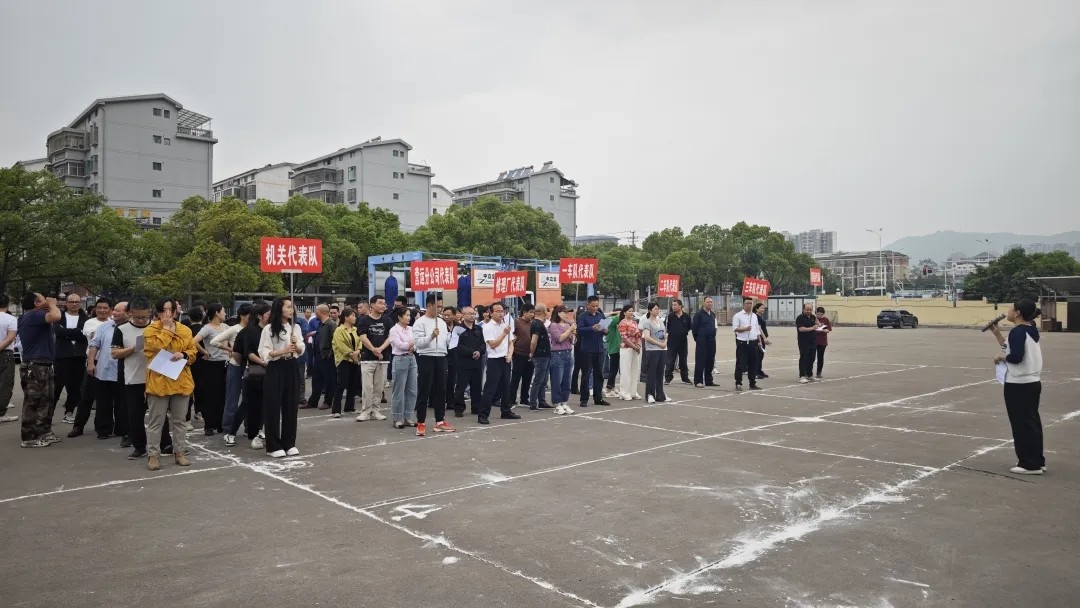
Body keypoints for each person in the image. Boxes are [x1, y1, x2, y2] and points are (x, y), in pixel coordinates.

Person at [989, 300, 1045, 475]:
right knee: (1032, 423)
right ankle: (1037, 460)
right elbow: (1011, 348)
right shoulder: (1030, 329)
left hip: (1019, 384)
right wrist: (998, 334)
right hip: (1032, 382)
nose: (1008, 311)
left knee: (1022, 425)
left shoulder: (1017, 332)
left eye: (1011, 308)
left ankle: (1029, 464)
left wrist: (1001, 358)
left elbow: (1015, 357)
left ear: (1018, 312)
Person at [113, 297, 171, 459]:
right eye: (137, 317)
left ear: (150, 313)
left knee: (159, 413)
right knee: (135, 415)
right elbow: (115, 353)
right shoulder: (122, 329)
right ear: (130, 313)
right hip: (133, 378)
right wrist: (134, 348)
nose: (141, 320)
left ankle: (165, 443)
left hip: (156, 376)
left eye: (145, 317)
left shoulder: (157, 327)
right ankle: (139, 446)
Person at [143, 297, 195, 471]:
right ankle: (153, 455)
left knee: (180, 421)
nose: (167, 313)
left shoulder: (185, 330)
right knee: (156, 421)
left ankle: (180, 453)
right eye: (163, 310)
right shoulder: (150, 330)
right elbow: (155, 347)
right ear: (158, 312)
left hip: (181, 380)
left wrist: (184, 355)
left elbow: (193, 351)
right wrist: (166, 329)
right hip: (158, 381)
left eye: (170, 310)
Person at [73, 300, 129, 443]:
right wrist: (91, 363)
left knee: (122, 402)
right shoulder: (104, 327)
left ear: (128, 313)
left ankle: (122, 429)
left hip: (125, 371)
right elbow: (94, 344)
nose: (114, 313)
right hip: (104, 369)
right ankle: (103, 429)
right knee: (102, 401)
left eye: (117, 310)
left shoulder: (131, 328)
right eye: (114, 310)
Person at [258, 297, 305, 458]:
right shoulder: (269, 328)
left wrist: (296, 346)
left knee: (291, 406)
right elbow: (263, 351)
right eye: (288, 307)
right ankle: (273, 445)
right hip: (275, 367)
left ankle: (289, 443)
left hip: (292, 366)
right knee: (273, 406)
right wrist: (282, 351)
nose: (292, 310)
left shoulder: (295, 327)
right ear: (279, 309)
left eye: (293, 307)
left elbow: (301, 348)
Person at [17, 293, 62, 447]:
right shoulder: (33, 316)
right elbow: (56, 316)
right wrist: (52, 304)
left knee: (46, 400)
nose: (48, 301)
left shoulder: (35, 316)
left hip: (43, 364)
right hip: (35, 365)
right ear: (37, 303)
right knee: (33, 402)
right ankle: (29, 437)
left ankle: (43, 432)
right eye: (44, 300)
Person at [231, 301, 271, 449]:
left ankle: (257, 431)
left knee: (264, 403)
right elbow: (245, 353)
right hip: (252, 373)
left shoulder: (270, 330)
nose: (271, 317)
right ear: (260, 316)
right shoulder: (249, 331)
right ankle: (231, 432)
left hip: (267, 372)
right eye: (268, 314)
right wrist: (261, 363)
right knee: (247, 404)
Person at [413, 294, 454, 436]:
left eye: (441, 306)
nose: (440, 309)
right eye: (438, 306)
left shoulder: (441, 322)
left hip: (441, 356)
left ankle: (440, 421)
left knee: (441, 390)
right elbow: (418, 344)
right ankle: (421, 422)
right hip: (426, 357)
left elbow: (446, 342)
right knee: (424, 390)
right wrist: (431, 336)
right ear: (429, 305)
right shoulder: (420, 322)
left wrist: (451, 337)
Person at [211, 303, 251, 442]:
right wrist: (230, 350)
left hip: (249, 367)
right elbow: (214, 341)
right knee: (232, 399)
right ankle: (227, 429)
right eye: (249, 315)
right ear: (242, 316)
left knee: (249, 399)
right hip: (235, 366)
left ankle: (249, 428)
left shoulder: (253, 329)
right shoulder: (234, 329)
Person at [478, 302, 521, 424]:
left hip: (505, 359)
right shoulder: (488, 327)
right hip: (494, 360)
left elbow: (511, 342)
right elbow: (493, 344)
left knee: (506, 387)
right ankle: (483, 414)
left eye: (502, 311)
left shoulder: (505, 325)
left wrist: (510, 354)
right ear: (491, 313)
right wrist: (504, 333)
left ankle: (506, 411)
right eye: (497, 311)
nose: (501, 313)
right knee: (490, 388)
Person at [194, 303, 229, 435]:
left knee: (223, 395)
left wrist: (231, 350)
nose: (225, 313)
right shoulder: (207, 328)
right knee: (210, 395)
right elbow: (194, 341)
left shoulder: (226, 327)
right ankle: (209, 425)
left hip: (225, 364)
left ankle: (221, 424)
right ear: (216, 313)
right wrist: (204, 352)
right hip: (211, 365)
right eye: (223, 311)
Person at [53, 293, 89, 425]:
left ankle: (69, 412)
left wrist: (67, 332)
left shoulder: (86, 319)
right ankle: (48, 415)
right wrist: (76, 332)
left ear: (80, 303)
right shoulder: (59, 317)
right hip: (62, 356)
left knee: (76, 387)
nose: (74, 304)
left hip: (79, 356)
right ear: (66, 303)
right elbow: (58, 332)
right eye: (71, 302)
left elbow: (84, 335)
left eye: (77, 302)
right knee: (56, 387)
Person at [356, 295, 393, 422]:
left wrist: (381, 349)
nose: (383, 305)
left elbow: (390, 337)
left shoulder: (387, 320)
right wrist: (373, 349)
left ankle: (376, 410)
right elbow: (362, 336)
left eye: (384, 303)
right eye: (380, 303)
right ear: (372, 305)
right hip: (367, 358)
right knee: (367, 387)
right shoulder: (364, 320)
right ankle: (366, 411)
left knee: (379, 387)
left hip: (383, 358)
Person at [577, 296, 611, 408]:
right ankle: (584, 399)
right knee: (586, 374)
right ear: (588, 305)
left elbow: (605, 331)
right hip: (587, 349)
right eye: (593, 306)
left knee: (599, 374)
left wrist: (605, 330)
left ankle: (598, 398)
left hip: (599, 349)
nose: (595, 308)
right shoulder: (582, 316)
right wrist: (592, 328)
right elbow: (580, 330)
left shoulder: (600, 315)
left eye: (596, 306)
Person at [388, 306, 419, 430]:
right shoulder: (394, 330)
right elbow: (400, 345)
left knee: (412, 389)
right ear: (399, 317)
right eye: (406, 315)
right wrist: (410, 344)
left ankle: (409, 416)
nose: (409, 317)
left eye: (409, 315)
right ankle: (398, 418)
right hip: (400, 359)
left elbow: (416, 343)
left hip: (412, 358)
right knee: (399, 390)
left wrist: (412, 346)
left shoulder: (411, 329)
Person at [452, 306, 485, 418]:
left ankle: (476, 407)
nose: (472, 316)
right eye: (469, 313)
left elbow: (483, 343)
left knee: (476, 386)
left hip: (477, 362)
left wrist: (479, 351)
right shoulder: (458, 329)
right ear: (463, 315)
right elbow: (458, 346)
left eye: (473, 313)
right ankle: (459, 408)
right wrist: (471, 352)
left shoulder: (478, 329)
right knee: (461, 386)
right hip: (463, 362)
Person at [331, 308, 362, 419]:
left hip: (355, 360)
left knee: (353, 384)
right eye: (352, 315)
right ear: (346, 317)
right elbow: (340, 345)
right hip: (344, 360)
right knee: (341, 384)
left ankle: (350, 407)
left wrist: (358, 351)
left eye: (355, 315)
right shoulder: (339, 330)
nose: (354, 317)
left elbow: (360, 341)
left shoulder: (355, 329)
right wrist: (351, 353)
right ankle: (336, 410)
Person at [309, 304, 338, 411]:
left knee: (329, 380)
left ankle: (328, 401)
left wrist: (330, 354)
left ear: (321, 311)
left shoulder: (331, 324)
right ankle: (313, 401)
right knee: (316, 379)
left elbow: (335, 341)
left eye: (316, 311)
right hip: (318, 356)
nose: (315, 313)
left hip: (327, 357)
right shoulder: (321, 324)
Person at [547, 305, 576, 414]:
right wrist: (570, 330)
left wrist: (573, 333)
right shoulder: (553, 325)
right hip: (557, 355)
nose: (567, 314)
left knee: (567, 381)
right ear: (559, 313)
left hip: (568, 353)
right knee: (557, 381)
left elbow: (572, 341)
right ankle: (557, 404)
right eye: (565, 312)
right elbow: (559, 339)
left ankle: (564, 402)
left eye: (568, 312)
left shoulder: (568, 325)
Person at [639, 303, 670, 403]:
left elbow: (664, 334)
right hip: (652, 350)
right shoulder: (647, 322)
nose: (657, 311)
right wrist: (659, 344)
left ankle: (660, 395)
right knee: (651, 373)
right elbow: (647, 337)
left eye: (658, 309)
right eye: (655, 309)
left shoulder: (660, 321)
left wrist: (665, 342)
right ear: (650, 310)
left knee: (660, 374)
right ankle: (650, 394)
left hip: (662, 350)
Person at [527, 304, 554, 411]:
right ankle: (533, 403)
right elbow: (534, 341)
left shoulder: (538, 323)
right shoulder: (537, 324)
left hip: (544, 354)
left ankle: (541, 401)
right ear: (543, 312)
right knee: (539, 379)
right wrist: (532, 352)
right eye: (546, 311)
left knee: (543, 379)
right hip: (540, 355)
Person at [732, 298, 762, 391]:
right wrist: (745, 329)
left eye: (750, 303)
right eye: (747, 303)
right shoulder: (738, 316)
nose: (749, 305)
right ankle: (738, 383)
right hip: (742, 343)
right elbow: (735, 328)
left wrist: (760, 341)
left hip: (753, 342)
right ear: (743, 305)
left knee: (753, 363)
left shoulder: (754, 316)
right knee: (740, 364)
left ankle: (752, 383)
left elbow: (757, 330)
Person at [509, 304, 535, 406]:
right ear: (524, 312)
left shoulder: (532, 324)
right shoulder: (516, 322)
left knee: (527, 378)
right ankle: (511, 399)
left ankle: (524, 398)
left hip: (530, 354)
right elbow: (511, 335)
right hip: (518, 353)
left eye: (533, 312)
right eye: (531, 312)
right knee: (516, 378)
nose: (532, 314)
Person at [617, 305, 643, 401]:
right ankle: (624, 392)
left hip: (635, 349)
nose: (631, 313)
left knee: (634, 370)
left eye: (632, 311)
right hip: (626, 349)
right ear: (624, 313)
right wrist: (634, 346)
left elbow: (638, 335)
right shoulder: (622, 323)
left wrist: (638, 345)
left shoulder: (634, 322)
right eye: (629, 311)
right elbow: (624, 337)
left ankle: (633, 392)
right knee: (625, 371)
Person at [0, 294, 18, 424]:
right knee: (5, 384)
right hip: (5, 354)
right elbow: (10, 338)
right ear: (7, 304)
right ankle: (1, 413)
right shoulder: (11, 318)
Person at [664, 299, 692, 385]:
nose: (673, 307)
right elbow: (665, 327)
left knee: (683, 360)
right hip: (671, 341)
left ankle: (685, 378)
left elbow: (689, 327)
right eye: (672, 305)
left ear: (680, 306)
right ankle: (668, 378)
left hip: (683, 341)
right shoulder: (669, 317)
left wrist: (683, 331)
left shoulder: (686, 316)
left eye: (675, 305)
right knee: (670, 360)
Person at [692, 297, 717, 387]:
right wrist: (698, 339)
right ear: (704, 303)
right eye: (708, 302)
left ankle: (709, 380)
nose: (710, 303)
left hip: (711, 340)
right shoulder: (699, 314)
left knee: (710, 360)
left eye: (711, 302)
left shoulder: (712, 314)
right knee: (700, 360)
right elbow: (694, 329)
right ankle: (698, 381)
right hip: (702, 340)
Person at [795, 303, 821, 384]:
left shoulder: (813, 317)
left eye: (810, 309)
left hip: (812, 341)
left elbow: (817, 323)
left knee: (812, 358)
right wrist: (812, 328)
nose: (809, 311)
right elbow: (801, 329)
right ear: (803, 309)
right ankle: (802, 376)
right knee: (804, 358)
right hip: (803, 341)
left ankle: (809, 375)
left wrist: (818, 324)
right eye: (807, 309)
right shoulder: (800, 318)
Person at [443, 306, 460, 415]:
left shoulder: (459, 327)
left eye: (449, 315)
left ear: (454, 315)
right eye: (445, 315)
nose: (446, 317)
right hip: (443, 355)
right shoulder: (440, 325)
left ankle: (450, 401)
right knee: (441, 380)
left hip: (455, 356)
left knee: (452, 380)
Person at [604, 310, 622, 398]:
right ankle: (608, 389)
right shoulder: (610, 320)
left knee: (615, 370)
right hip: (614, 349)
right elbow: (617, 318)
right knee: (613, 370)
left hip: (617, 348)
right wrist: (615, 314)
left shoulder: (612, 323)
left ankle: (612, 387)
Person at [813, 306, 833, 379]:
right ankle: (808, 373)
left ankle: (819, 372)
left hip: (822, 341)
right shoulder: (813, 319)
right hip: (813, 341)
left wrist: (822, 330)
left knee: (820, 357)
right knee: (811, 357)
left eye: (821, 314)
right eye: (818, 314)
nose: (819, 316)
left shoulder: (826, 320)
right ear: (815, 313)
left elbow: (828, 330)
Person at [753, 302, 771, 379]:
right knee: (758, 356)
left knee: (761, 356)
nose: (763, 309)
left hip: (762, 339)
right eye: (761, 308)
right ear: (757, 309)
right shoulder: (756, 317)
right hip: (759, 339)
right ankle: (756, 372)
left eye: (763, 308)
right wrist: (764, 338)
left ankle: (759, 370)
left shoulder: (760, 316)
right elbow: (759, 328)